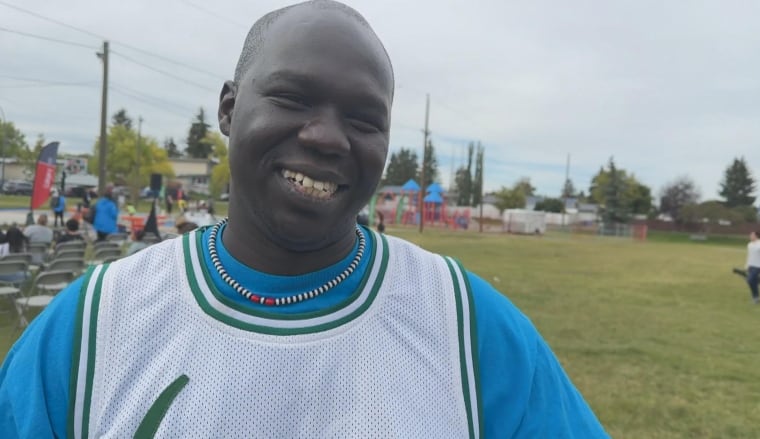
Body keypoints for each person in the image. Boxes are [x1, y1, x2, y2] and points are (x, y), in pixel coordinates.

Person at [0, 2, 608, 437]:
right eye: (292, 98)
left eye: (364, 119)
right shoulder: (94, 323)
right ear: (230, 109)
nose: (326, 137)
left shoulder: (468, 327)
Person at [745, 230, 760, 304]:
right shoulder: (749, 244)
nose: (750, 236)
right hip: (751, 266)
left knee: (750, 280)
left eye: (752, 235)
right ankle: (756, 298)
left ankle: (756, 297)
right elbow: (749, 256)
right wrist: (747, 265)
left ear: (756, 236)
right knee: (753, 282)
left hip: (758, 267)